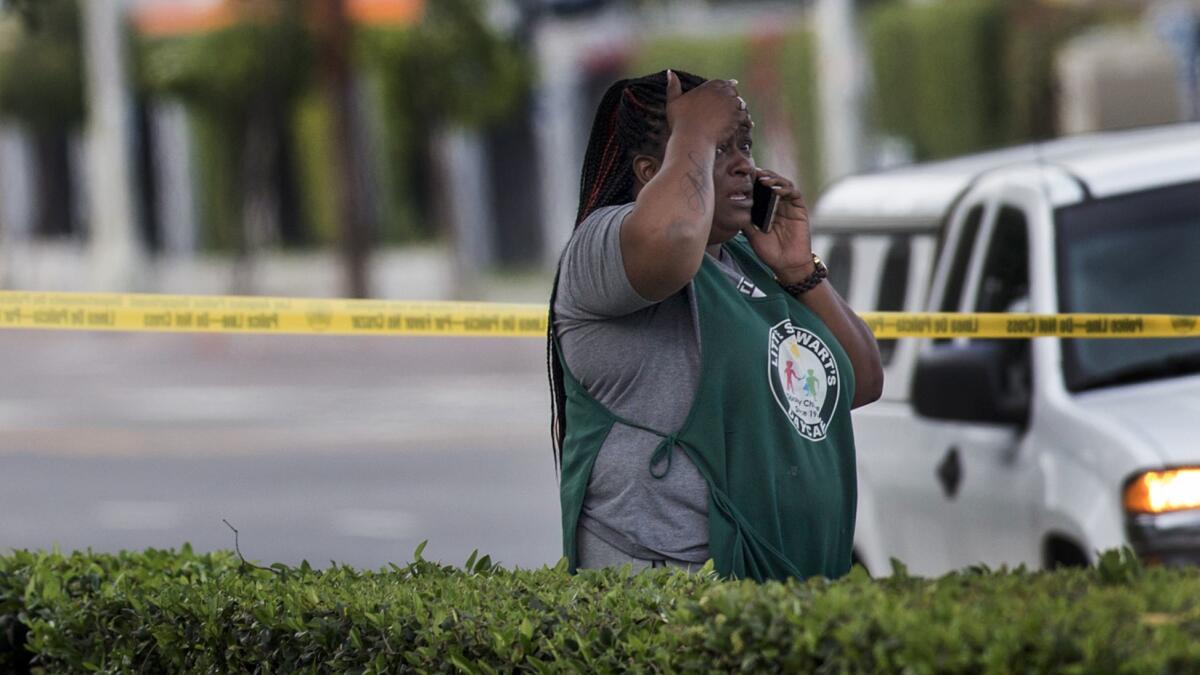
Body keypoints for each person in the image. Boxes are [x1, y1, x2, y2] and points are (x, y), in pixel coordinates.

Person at [548, 69, 884, 582]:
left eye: (744, 146)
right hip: (669, 591)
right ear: (647, 170)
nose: (743, 165)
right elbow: (676, 232)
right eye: (716, 149)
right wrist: (694, 134)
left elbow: (859, 382)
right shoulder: (603, 247)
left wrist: (800, 272)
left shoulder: (747, 259)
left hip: (782, 581)